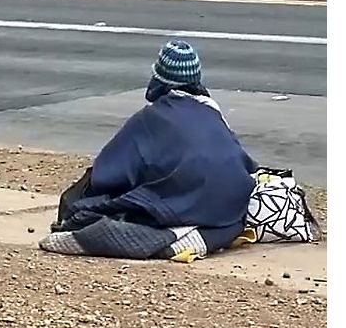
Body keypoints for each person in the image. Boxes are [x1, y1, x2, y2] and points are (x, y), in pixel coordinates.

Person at [43, 40, 258, 259]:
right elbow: (244, 162)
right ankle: (195, 233)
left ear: (160, 78)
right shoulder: (212, 111)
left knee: (84, 209)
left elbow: (107, 173)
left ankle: (171, 233)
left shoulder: (150, 118)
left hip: (190, 201)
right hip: (231, 207)